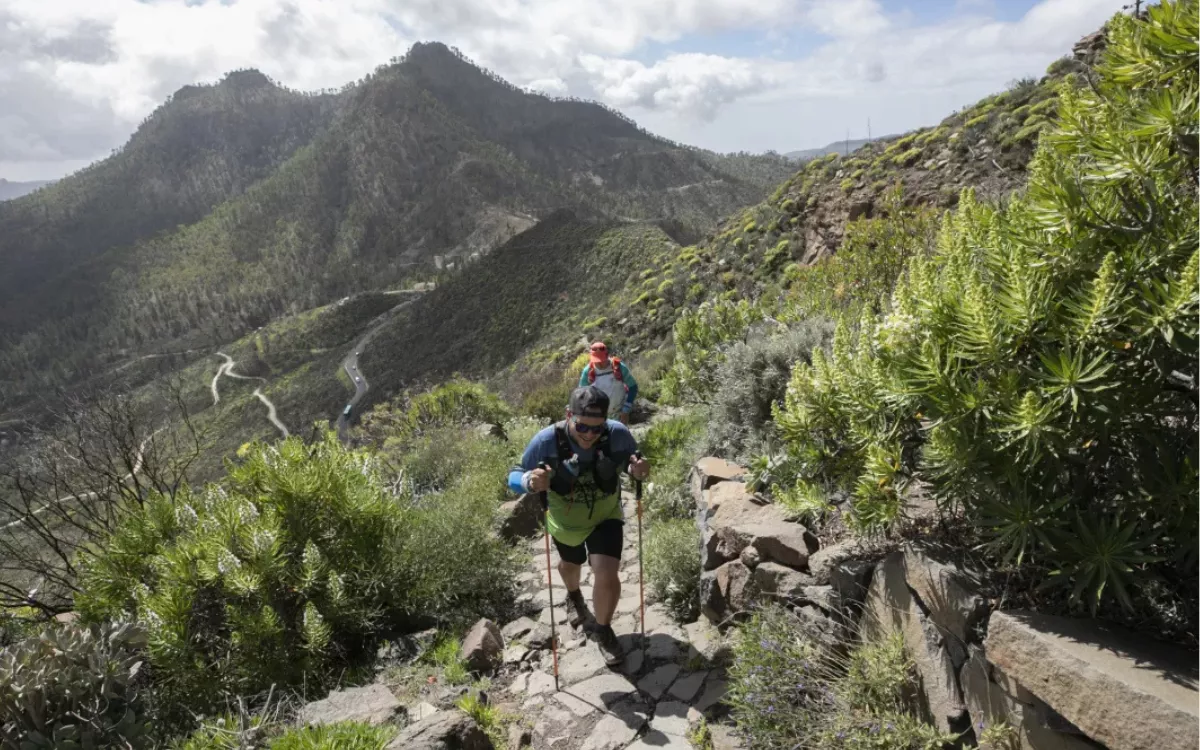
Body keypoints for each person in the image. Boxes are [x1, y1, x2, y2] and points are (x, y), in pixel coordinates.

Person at [507, 386, 650, 666]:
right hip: (565, 523)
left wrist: (638, 471)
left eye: (597, 429)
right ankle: (573, 595)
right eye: (582, 426)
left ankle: (603, 629)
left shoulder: (617, 433)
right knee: (570, 564)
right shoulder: (547, 440)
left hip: (606, 515)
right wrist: (529, 482)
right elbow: (513, 474)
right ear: (568, 415)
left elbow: (632, 463)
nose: (589, 435)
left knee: (607, 574)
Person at [578, 341, 638, 424]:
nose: (599, 363)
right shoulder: (587, 372)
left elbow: (633, 387)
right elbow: (581, 395)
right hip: (598, 417)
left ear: (607, 356)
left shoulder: (619, 367)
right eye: (597, 360)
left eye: (602, 360)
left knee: (619, 436)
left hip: (619, 414)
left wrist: (626, 410)